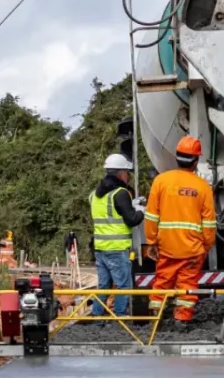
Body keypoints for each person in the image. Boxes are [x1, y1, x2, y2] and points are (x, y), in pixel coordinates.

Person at [143, 136, 216, 324]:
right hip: (192, 248)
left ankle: (155, 318)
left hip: (166, 245)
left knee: (162, 281)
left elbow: (151, 216)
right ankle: (181, 320)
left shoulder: (161, 181)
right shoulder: (203, 187)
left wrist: (151, 242)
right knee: (187, 285)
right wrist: (206, 246)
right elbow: (209, 224)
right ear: (196, 160)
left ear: (176, 157)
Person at [90, 153, 145, 321]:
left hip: (100, 249)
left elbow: (112, 212)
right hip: (117, 249)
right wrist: (141, 211)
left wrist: (131, 204)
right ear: (121, 173)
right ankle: (120, 319)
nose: (128, 177)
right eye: (127, 173)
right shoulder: (121, 193)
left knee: (104, 286)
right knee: (123, 286)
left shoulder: (94, 194)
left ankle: (97, 318)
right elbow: (131, 219)